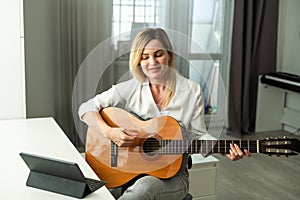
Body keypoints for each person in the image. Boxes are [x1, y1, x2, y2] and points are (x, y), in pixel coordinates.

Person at [78, 28, 251, 200]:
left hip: (173, 176)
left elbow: (198, 135)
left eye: (158, 54)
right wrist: (110, 132)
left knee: (142, 190)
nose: (152, 62)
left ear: (169, 54)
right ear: (137, 61)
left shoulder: (191, 90)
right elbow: (85, 108)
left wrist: (224, 149)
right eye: (145, 57)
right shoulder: (130, 88)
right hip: (127, 169)